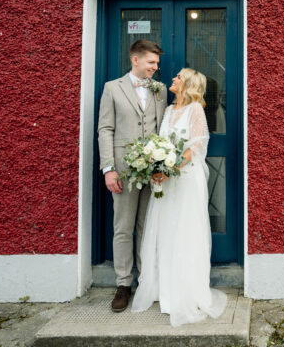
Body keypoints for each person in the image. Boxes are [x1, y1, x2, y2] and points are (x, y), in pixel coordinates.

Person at [131, 68, 227, 326]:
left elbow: (197, 144)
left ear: (187, 84)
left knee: (185, 231)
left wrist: (171, 169)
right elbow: (161, 143)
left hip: (185, 180)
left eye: (178, 77)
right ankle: (165, 289)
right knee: (166, 231)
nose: (172, 79)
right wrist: (156, 167)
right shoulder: (170, 110)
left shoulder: (195, 109)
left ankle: (185, 291)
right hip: (167, 182)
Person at [97, 40, 166, 312]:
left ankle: (146, 282)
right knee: (123, 228)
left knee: (146, 228)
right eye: (151, 62)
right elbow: (105, 129)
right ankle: (123, 284)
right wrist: (108, 168)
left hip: (152, 171)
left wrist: (161, 165)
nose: (155, 68)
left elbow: (162, 128)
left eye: (157, 64)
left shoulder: (159, 91)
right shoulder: (112, 88)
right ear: (135, 59)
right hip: (123, 171)